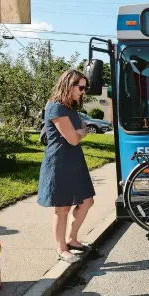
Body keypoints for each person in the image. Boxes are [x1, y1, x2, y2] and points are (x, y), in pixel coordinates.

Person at [37, 69, 95, 264]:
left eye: (85, 88)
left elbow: (82, 129)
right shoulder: (55, 107)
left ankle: (72, 239)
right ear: (68, 84)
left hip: (75, 160)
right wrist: (80, 132)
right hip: (59, 162)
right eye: (81, 87)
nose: (83, 91)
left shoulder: (70, 108)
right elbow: (72, 139)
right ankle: (61, 248)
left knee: (87, 202)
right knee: (63, 208)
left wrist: (80, 132)